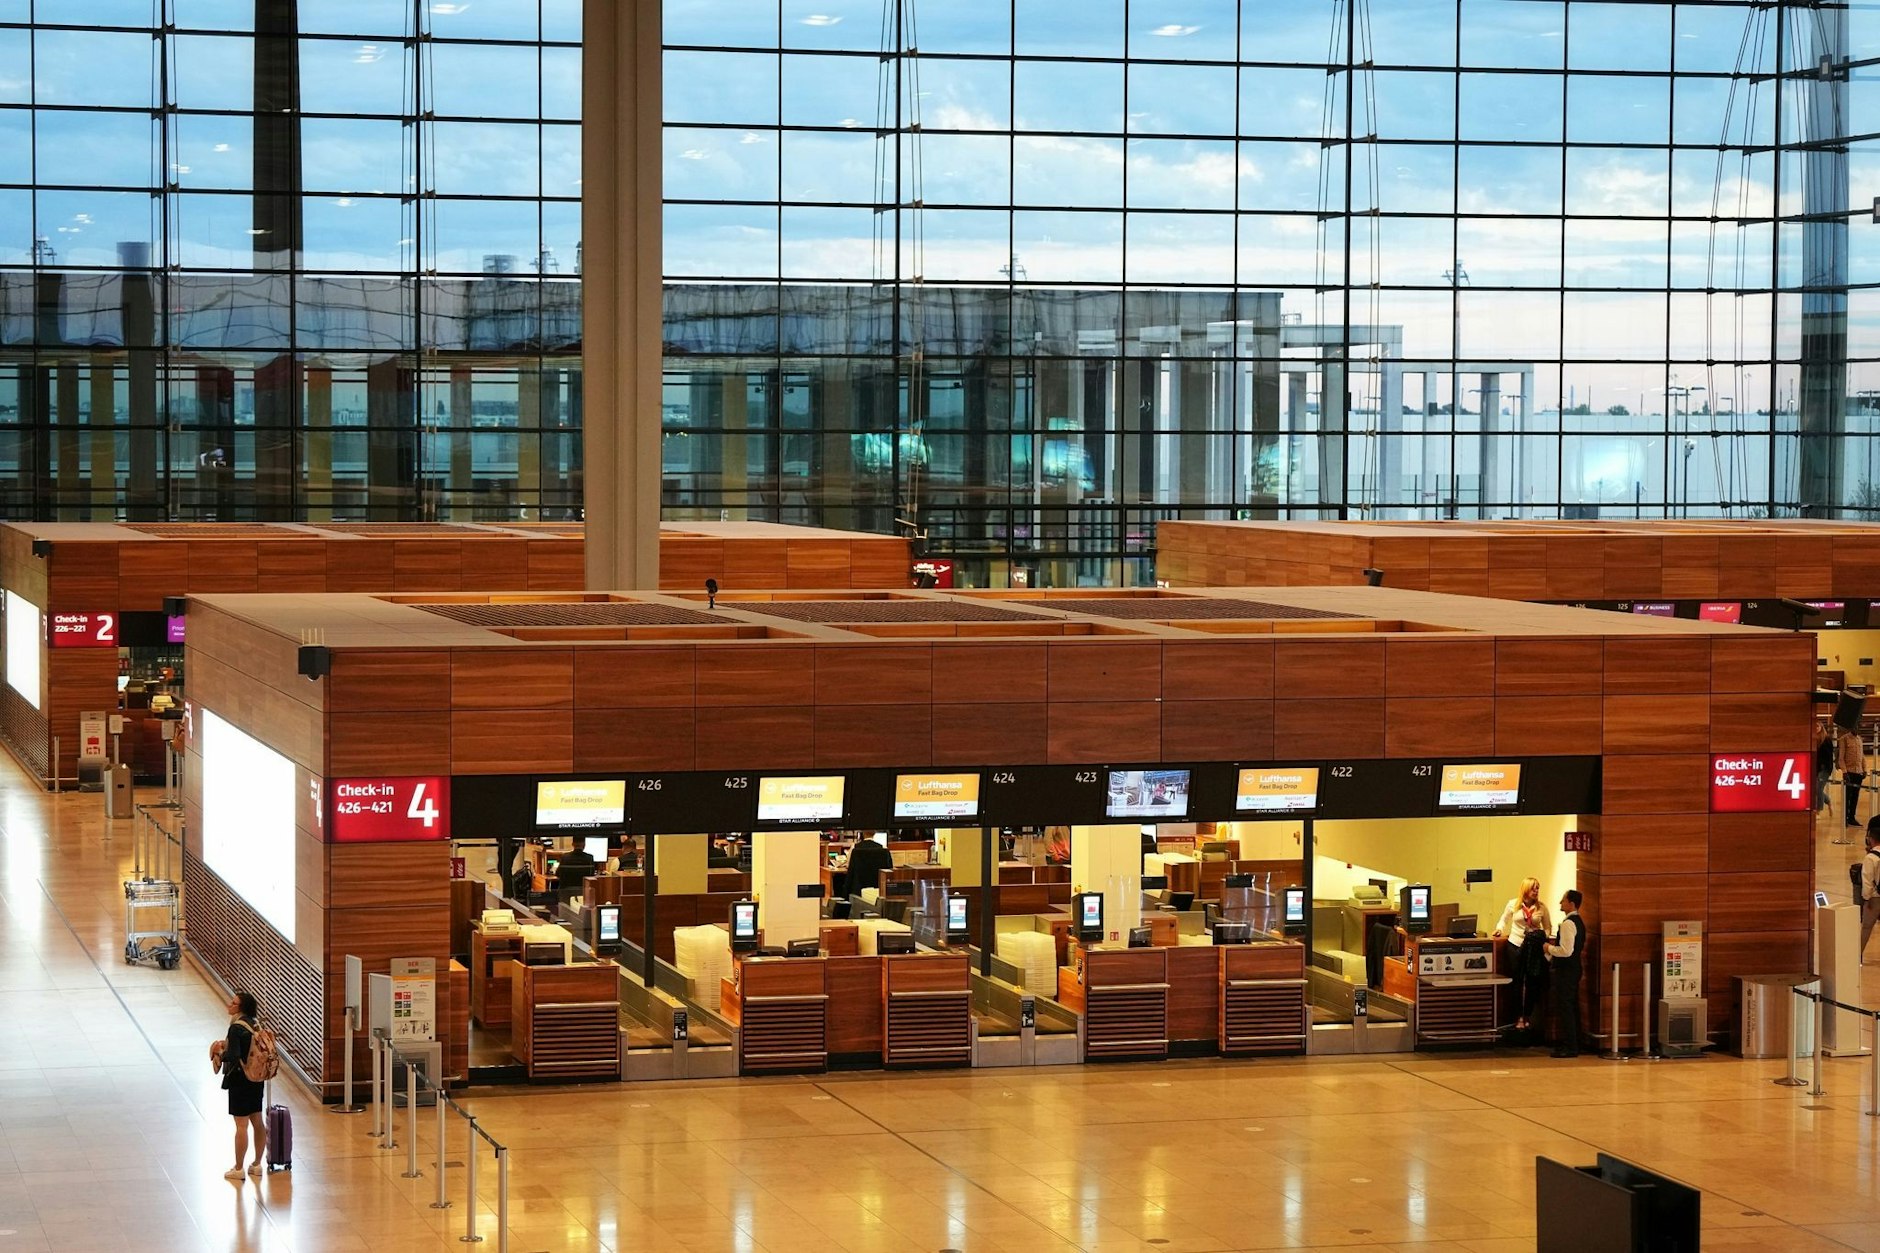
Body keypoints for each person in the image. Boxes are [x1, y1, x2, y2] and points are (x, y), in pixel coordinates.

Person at [210, 990, 269, 1180]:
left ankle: (238, 1168)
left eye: (233, 1003)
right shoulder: (255, 1023)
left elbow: (234, 1055)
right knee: (257, 1121)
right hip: (256, 1077)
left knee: (241, 1125)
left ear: (240, 1008)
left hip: (240, 1078)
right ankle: (258, 1164)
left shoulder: (236, 1028)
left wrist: (220, 1051)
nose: (230, 1004)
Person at [1491, 876, 1553, 1033]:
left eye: (1538, 888)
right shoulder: (1513, 904)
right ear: (1525, 889)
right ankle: (1517, 1016)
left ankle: (1528, 1016)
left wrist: (1541, 936)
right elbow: (1503, 920)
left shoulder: (1542, 908)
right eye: (1533, 888)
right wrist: (1499, 929)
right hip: (1516, 944)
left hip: (1533, 947)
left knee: (1532, 981)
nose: (1536, 891)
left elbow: (1547, 928)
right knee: (1517, 981)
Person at [1544, 891, 1585, 1058]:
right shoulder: (1579, 922)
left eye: (1564, 900)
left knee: (1566, 1007)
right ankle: (1575, 1043)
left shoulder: (1568, 924)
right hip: (1574, 969)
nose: (1561, 902)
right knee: (1571, 1006)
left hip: (1567, 970)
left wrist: (1548, 948)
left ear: (1572, 903)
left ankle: (1570, 1046)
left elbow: (1566, 951)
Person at [844, 832, 894, 898]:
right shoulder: (883, 848)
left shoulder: (855, 848)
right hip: (878, 889)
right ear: (874, 833)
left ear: (862, 833)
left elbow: (849, 866)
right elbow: (889, 869)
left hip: (858, 889)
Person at [1839, 725, 1867, 831]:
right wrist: (1844, 771)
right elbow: (1841, 757)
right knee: (1847, 796)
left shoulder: (1859, 739)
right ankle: (1845, 818)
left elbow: (1862, 756)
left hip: (1858, 772)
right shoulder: (1844, 739)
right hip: (1849, 772)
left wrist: (1865, 769)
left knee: (1855, 796)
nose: (1856, 729)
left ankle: (1852, 817)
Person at [1859, 826, 1880, 964]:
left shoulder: (1871, 858)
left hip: (1875, 898)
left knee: (1866, 927)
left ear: (1871, 839)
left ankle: (1857, 954)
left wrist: (1866, 899)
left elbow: (1867, 881)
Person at [1815, 720, 1836, 813]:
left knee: (1818, 788)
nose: (1816, 728)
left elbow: (1829, 756)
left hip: (1825, 769)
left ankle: (1818, 809)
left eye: (1818, 726)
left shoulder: (1826, 740)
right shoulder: (1815, 740)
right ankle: (1828, 801)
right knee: (1816, 789)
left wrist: (1827, 768)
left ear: (1821, 727)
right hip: (1817, 769)